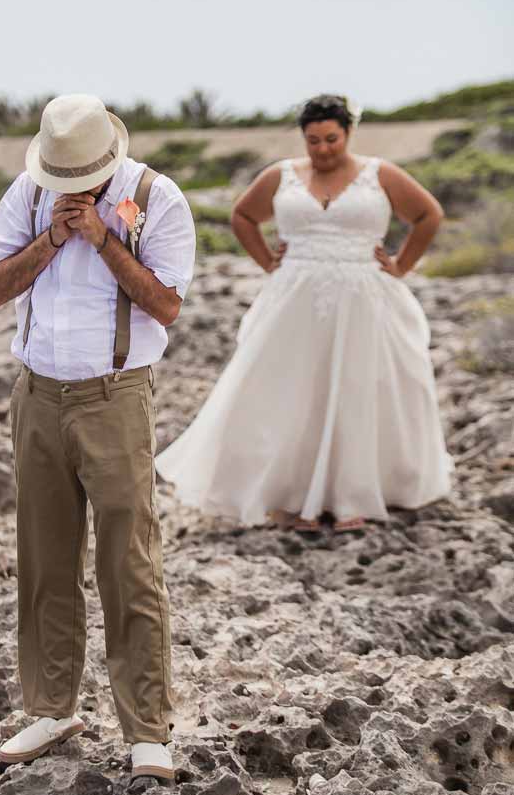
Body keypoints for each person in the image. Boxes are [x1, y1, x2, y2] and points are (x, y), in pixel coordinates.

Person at [0, 94, 196, 780]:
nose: (69, 192)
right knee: (44, 559)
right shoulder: (28, 191)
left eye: (82, 182)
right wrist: (51, 238)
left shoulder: (157, 198)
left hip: (115, 396)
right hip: (36, 394)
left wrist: (102, 240)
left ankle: (147, 729)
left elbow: (166, 304)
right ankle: (51, 706)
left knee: (129, 563)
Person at [155, 93, 453, 534]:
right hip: (294, 298)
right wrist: (266, 261)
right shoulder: (282, 176)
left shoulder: (380, 174)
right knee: (289, 391)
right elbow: (242, 216)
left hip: (364, 297)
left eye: (331, 138)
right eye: (313, 140)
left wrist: (401, 265)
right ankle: (289, 497)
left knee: (358, 387)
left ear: (348, 133)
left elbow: (429, 214)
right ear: (303, 138)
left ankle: (352, 495)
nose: (323, 149)